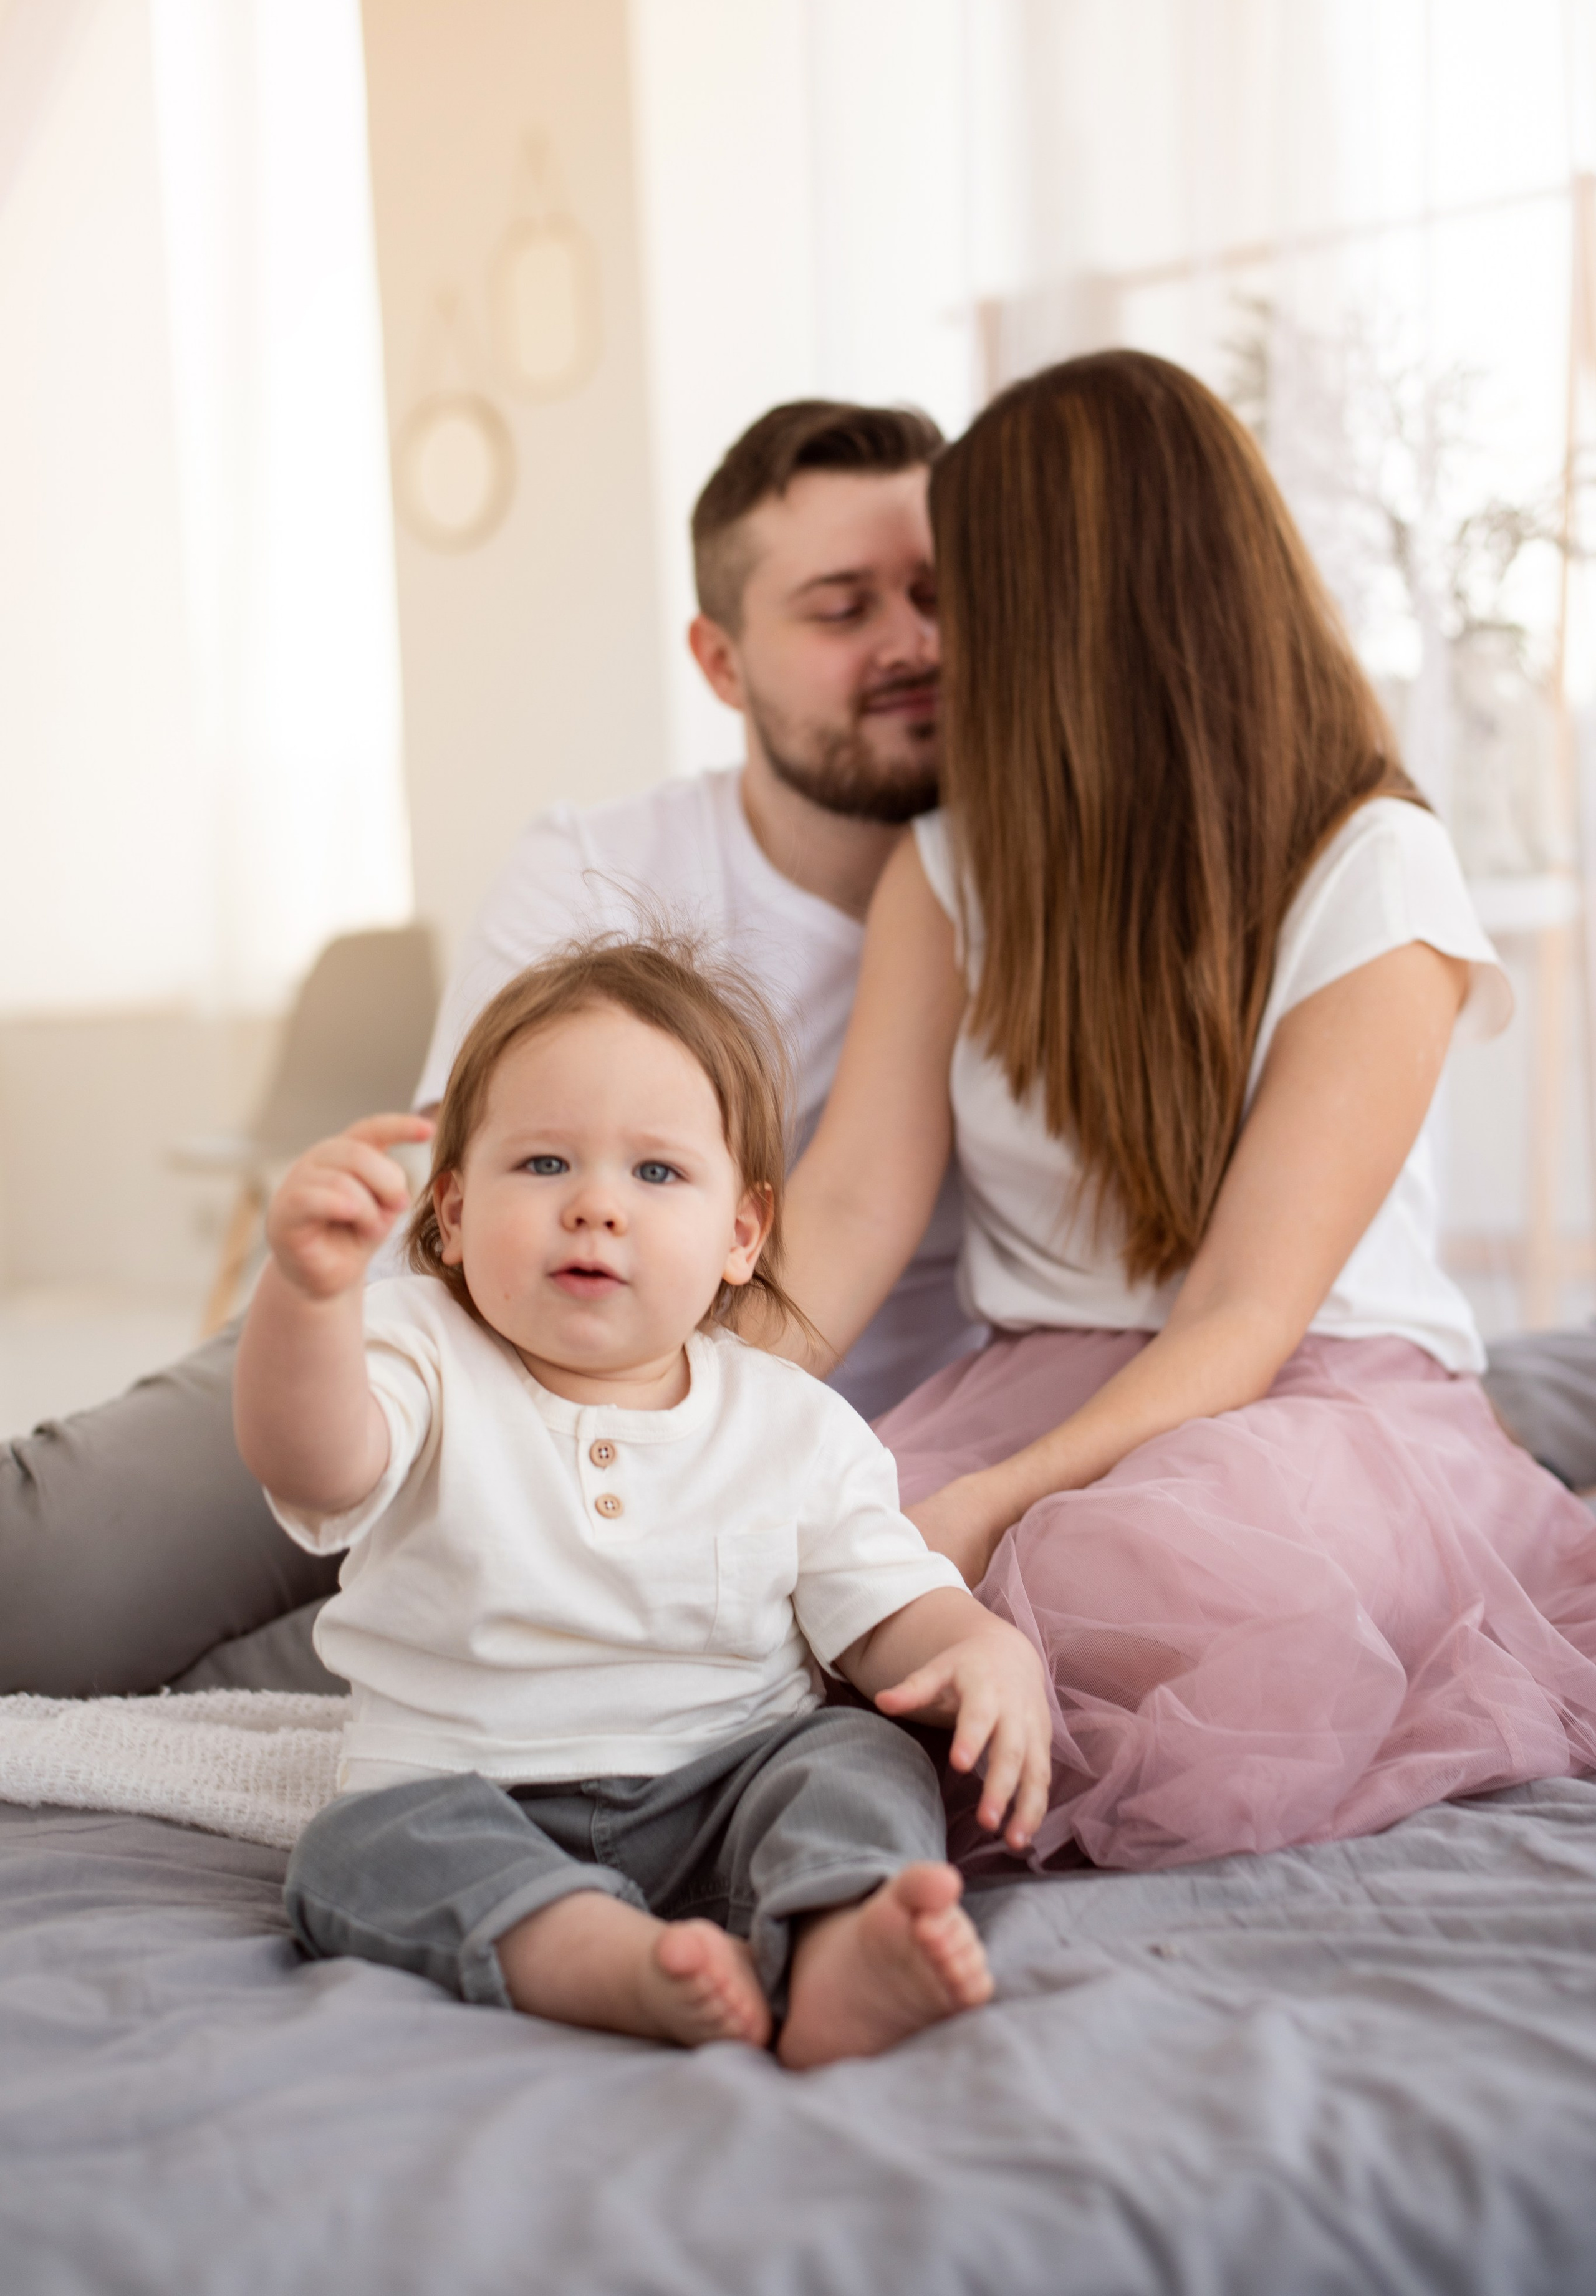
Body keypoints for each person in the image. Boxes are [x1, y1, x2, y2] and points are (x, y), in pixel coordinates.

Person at [0, 399, 979, 1702]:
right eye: (842, 607)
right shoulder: (598, 859)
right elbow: (465, 1206)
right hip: (426, 1347)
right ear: (723, 660)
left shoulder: (1026, 903)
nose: (910, 642)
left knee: (247, 1689)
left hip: (728, 1464)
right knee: (53, 1579)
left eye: (933, 593)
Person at [766, 350, 1596, 1876]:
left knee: (1144, 1588)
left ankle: (868, 1849)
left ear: (1065, 609)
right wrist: (672, 1407)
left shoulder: (1373, 868)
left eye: (962, 596)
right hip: (1037, 1382)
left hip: (1291, 1392)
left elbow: (1239, 1314)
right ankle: (827, 1868)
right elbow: (845, 1206)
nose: (937, 644)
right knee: (767, 1574)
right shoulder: (950, 868)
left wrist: (979, 1509)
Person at [238, 938, 1049, 2063]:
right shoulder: (420, 1350)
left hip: (720, 1782)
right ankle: (610, 1966)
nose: (597, 1209)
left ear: (741, 1234)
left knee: (860, 1760)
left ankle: (838, 1934)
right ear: (454, 1214)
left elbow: (884, 1608)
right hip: (465, 1788)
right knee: (352, 1855)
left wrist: (975, 1639)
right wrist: (309, 1296)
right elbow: (315, 1462)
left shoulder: (790, 1422)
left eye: (656, 1173)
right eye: (544, 1166)